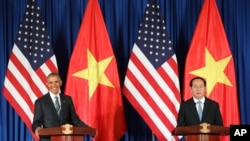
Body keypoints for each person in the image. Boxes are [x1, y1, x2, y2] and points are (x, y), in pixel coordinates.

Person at [32, 72, 90, 140]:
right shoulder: (40, 102)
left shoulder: (67, 99)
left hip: (66, 139)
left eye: (56, 82)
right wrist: (37, 129)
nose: (54, 85)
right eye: (50, 82)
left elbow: (75, 120)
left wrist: (88, 129)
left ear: (60, 82)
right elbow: (36, 123)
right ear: (47, 84)